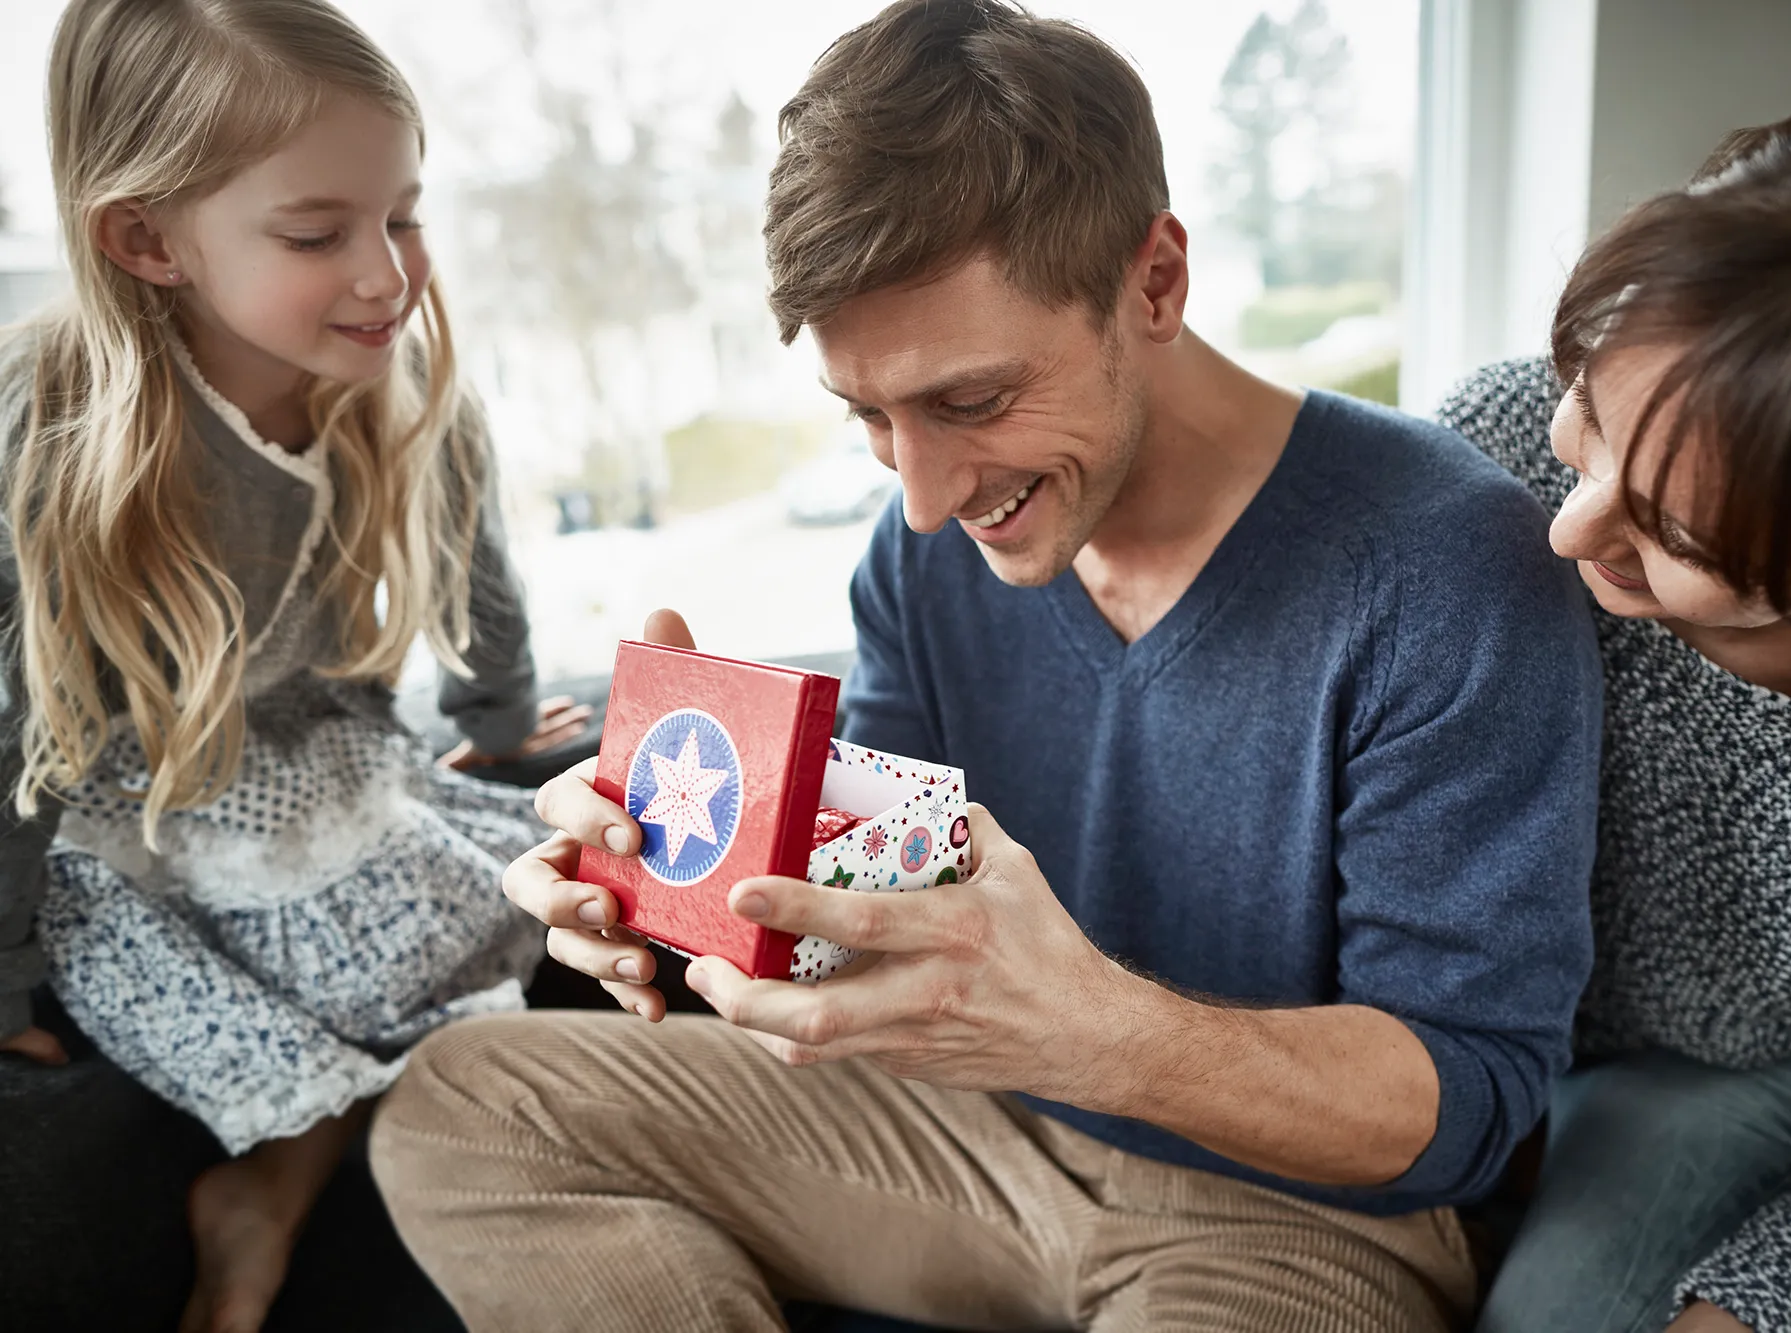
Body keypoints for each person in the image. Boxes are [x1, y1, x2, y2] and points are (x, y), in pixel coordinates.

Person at [369, 3, 1603, 1330]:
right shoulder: (925, 556)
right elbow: (873, 914)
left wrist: (1089, 1028)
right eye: (870, 420)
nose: (922, 495)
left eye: (969, 403)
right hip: (954, 1129)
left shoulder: (1442, 564)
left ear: (1157, 283)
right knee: (463, 1108)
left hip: (1294, 1215)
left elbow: (1471, 1104)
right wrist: (685, 868)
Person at [0, 2, 585, 1328]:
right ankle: (274, 1178)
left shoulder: (386, 370)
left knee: (528, 890)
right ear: (147, 240)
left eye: (406, 215)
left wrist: (496, 715)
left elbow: (472, 541)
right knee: (375, 971)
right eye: (320, 235)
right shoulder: (58, 432)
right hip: (136, 826)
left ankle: (304, 1169)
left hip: (330, 769)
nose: (389, 275)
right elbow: (8, 729)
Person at [1444, 40, 1791, 1333]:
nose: (1571, 532)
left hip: (1751, 1067)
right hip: (1466, 1030)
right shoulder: (1492, 448)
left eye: (1679, 542)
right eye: (1587, 413)